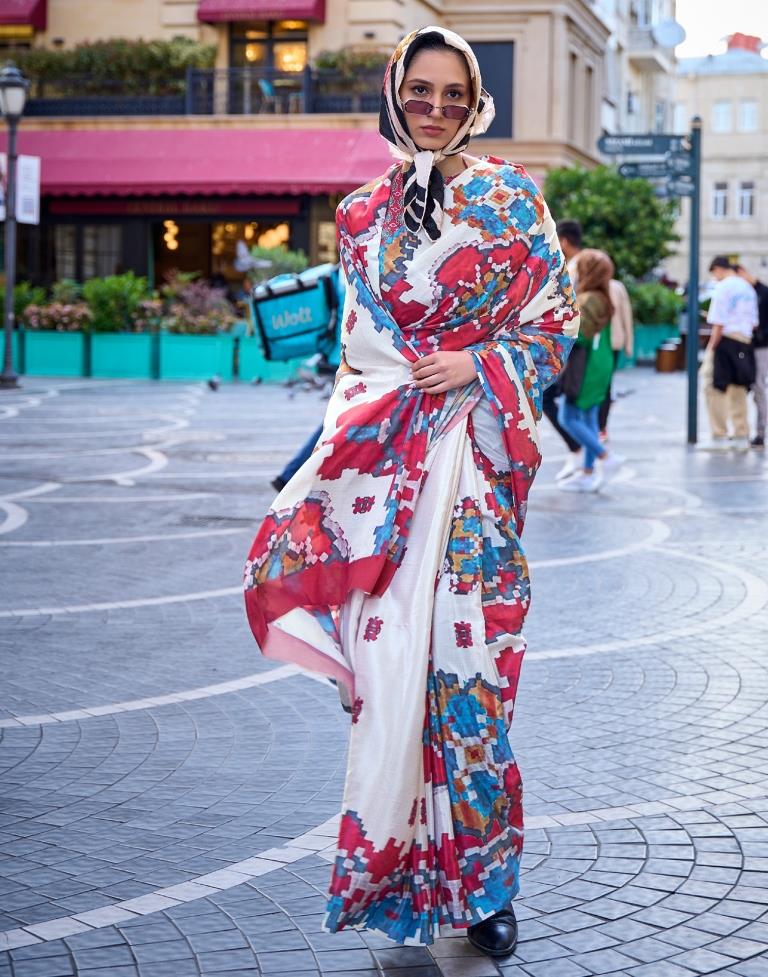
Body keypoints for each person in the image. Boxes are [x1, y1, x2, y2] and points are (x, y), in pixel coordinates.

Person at [243, 26, 578, 957]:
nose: (435, 109)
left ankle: (483, 889)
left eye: (453, 95)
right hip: (386, 483)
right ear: (397, 94)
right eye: (420, 91)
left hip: (473, 473)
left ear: (476, 105)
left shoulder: (517, 202)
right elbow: (358, 354)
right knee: (392, 686)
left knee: (472, 683)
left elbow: (555, 320)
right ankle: (395, 877)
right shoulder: (357, 215)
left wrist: (478, 361)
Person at [557, 250, 625, 492]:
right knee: (589, 418)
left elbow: (578, 336)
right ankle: (587, 472)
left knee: (568, 416)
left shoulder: (587, 300)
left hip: (586, 366)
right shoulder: (602, 296)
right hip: (601, 362)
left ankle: (605, 457)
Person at [542, 218, 586, 479]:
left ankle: (580, 450)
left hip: (571, 347)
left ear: (565, 241)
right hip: (582, 347)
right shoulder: (584, 263)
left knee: (551, 399)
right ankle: (583, 452)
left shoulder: (574, 267)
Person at [699, 256, 758, 452]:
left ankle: (719, 435)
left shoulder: (723, 288)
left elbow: (718, 322)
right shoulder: (747, 288)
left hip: (726, 341)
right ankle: (741, 435)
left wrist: (711, 347)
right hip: (745, 341)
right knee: (738, 389)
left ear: (717, 269)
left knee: (714, 388)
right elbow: (754, 322)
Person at [598, 275, 634, 439]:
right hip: (598, 343)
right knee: (599, 386)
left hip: (612, 342)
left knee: (605, 386)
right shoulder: (584, 283)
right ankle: (596, 426)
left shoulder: (617, 287)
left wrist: (628, 343)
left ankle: (601, 427)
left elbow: (626, 315)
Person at [737, 265, 768, 448]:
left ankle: (761, 432)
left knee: (758, 387)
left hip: (762, 346)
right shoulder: (751, 293)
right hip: (753, 346)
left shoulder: (763, 293)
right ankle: (759, 431)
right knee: (756, 387)